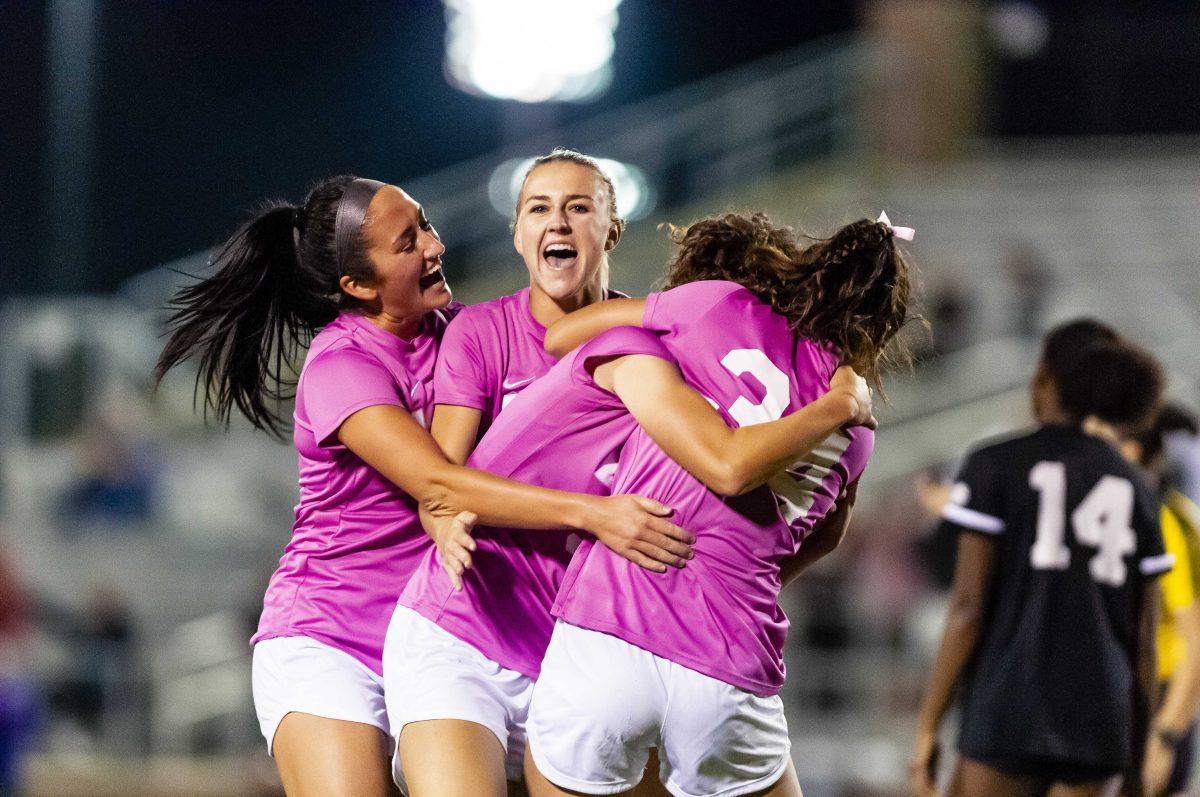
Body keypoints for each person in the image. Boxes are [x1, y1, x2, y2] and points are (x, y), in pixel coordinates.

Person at [154, 175, 693, 797]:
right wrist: (595, 514)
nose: (434, 245)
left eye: (426, 223)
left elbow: (557, 332)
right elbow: (438, 481)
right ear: (357, 285)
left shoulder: (464, 331)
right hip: (335, 638)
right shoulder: (343, 366)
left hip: (453, 629)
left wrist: (671, 313)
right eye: (407, 242)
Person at [511, 212, 910, 797]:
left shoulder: (717, 305)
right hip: (728, 662)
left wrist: (664, 360)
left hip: (611, 627)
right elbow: (826, 536)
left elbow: (565, 334)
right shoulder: (858, 429)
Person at [910, 329, 1169, 797]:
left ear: (1048, 382)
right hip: (1099, 723)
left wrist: (928, 727)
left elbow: (967, 609)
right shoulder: (1138, 488)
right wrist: (1136, 752)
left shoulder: (994, 464)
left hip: (1008, 706)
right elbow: (1144, 642)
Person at [1128, 404, 1200, 797]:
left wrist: (1165, 736)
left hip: (1160, 694)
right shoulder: (1165, 514)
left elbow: (1196, 641)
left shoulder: (1165, 522)